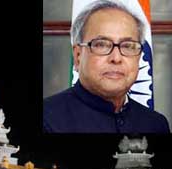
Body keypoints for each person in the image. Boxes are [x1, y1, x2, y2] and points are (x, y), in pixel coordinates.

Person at [43, 0, 170, 133]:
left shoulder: (156, 124)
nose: (116, 58)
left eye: (127, 46)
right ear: (78, 56)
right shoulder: (47, 120)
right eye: (102, 44)